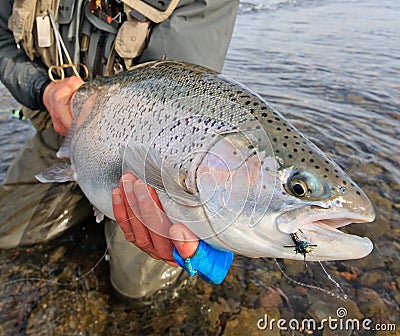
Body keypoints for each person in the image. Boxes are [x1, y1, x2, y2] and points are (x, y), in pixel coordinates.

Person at [0, 0, 239, 299]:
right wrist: (42, 89)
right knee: (5, 234)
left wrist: (209, 216)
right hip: (61, 128)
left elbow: (172, 101)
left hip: (146, 153)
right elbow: (3, 41)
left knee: (136, 289)